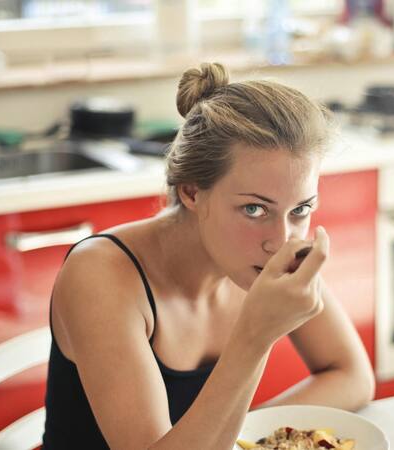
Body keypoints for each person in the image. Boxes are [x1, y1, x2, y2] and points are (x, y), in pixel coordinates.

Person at [42, 62, 375, 449]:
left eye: (300, 209)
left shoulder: (265, 255)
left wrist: (240, 434)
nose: (281, 240)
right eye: (254, 209)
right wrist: (256, 335)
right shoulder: (101, 275)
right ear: (192, 193)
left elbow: (352, 376)